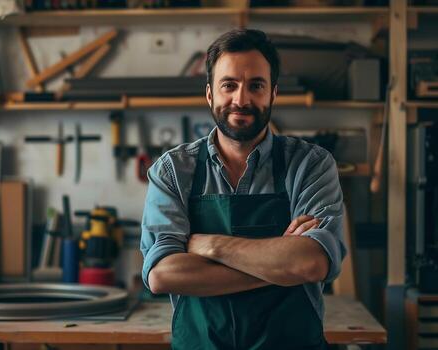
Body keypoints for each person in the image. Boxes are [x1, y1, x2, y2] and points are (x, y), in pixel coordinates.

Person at [140, 28, 345, 350]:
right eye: (229, 85)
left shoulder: (311, 165)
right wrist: (282, 266)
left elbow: (312, 263)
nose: (241, 99)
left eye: (256, 86)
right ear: (210, 94)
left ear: (273, 93)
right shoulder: (173, 170)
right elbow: (163, 275)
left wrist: (210, 246)